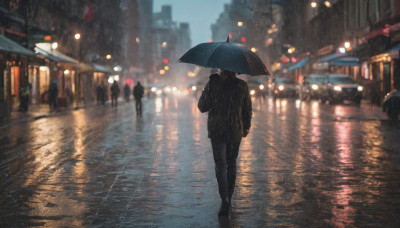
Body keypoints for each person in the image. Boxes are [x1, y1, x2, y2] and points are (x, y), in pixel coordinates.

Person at [198, 70, 252, 217]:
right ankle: (229, 195)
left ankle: (225, 200)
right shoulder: (242, 85)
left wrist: (210, 87)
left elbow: (202, 106)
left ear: (221, 70)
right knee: (231, 163)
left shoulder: (213, 84)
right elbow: (247, 109)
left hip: (217, 130)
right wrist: (246, 127)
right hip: (235, 130)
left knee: (221, 165)